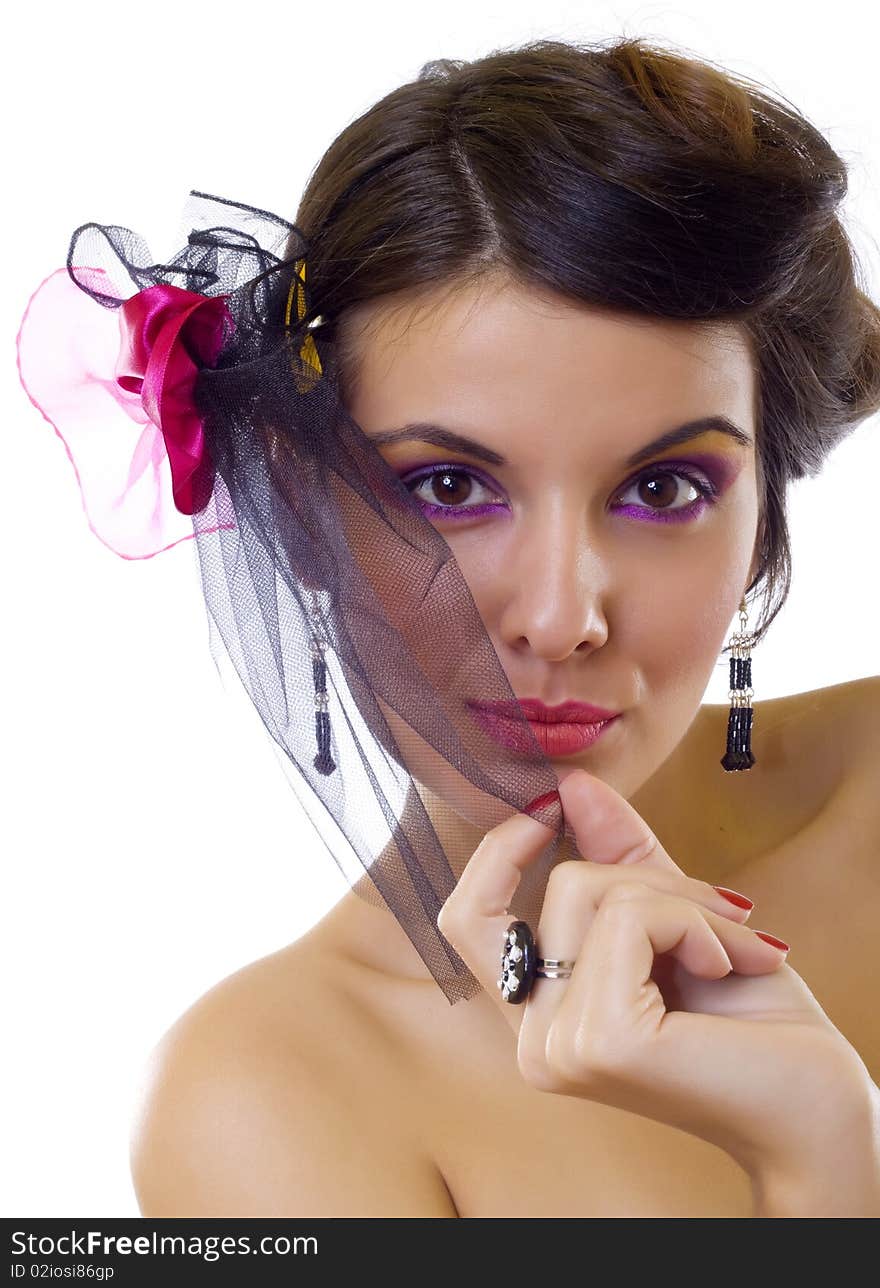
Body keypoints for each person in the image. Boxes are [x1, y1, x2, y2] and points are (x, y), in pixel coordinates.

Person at [50, 35, 880, 1216]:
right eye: (447, 488)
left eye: (663, 489)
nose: (558, 616)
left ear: (761, 522)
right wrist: (819, 1161)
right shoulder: (265, 1099)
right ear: (298, 504)